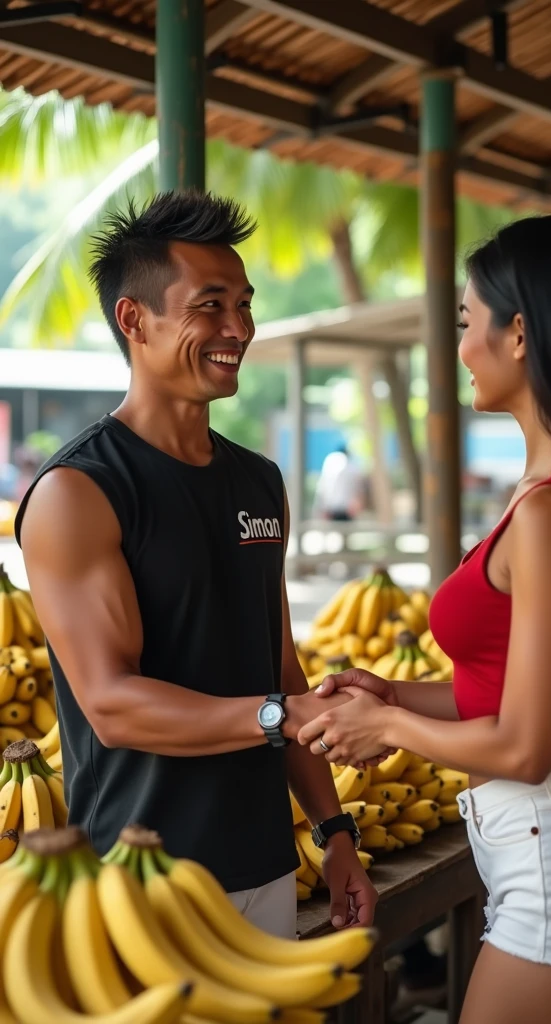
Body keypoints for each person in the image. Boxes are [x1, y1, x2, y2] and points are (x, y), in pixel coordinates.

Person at [302, 214, 551, 1022]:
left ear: (521, 334)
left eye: (469, 323)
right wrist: (397, 696)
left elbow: (525, 744)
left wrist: (389, 729)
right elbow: (503, 693)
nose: (461, 346)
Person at [15, 191, 377, 938]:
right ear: (134, 320)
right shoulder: (78, 492)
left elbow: (278, 665)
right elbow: (112, 705)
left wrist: (334, 831)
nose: (238, 328)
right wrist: (280, 718)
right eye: (210, 306)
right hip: (140, 873)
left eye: (244, 304)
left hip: (266, 864)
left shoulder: (258, 480)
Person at [313, 443, 364, 521]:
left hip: (331, 508)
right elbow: (357, 487)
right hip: (346, 509)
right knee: (345, 531)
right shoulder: (350, 464)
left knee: (333, 531)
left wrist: (321, 507)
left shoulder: (330, 462)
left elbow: (322, 487)